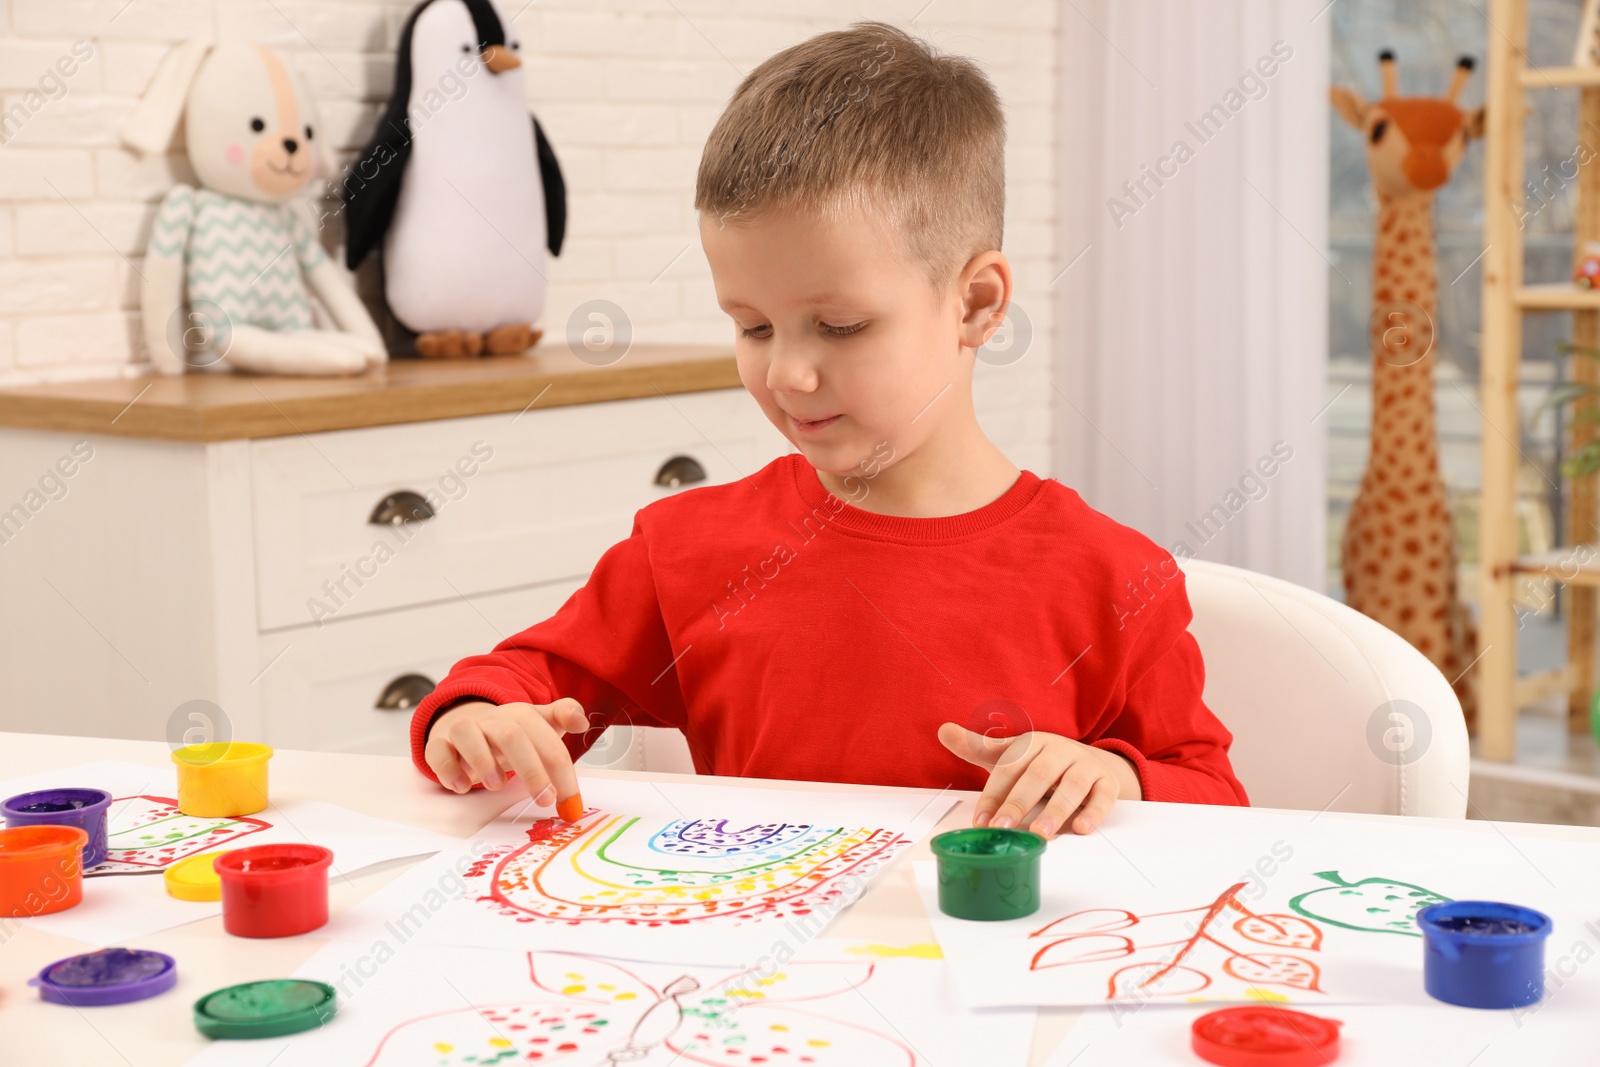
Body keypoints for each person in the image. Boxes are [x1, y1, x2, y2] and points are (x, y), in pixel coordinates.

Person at [411, 21, 1248, 839]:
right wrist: (481, 717)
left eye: (840, 327)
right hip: (756, 966)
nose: (787, 375)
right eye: (753, 326)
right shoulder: (684, 551)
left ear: (977, 304)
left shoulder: (1113, 579)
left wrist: (1120, 778)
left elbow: (1215, 797)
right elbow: (521, 681)